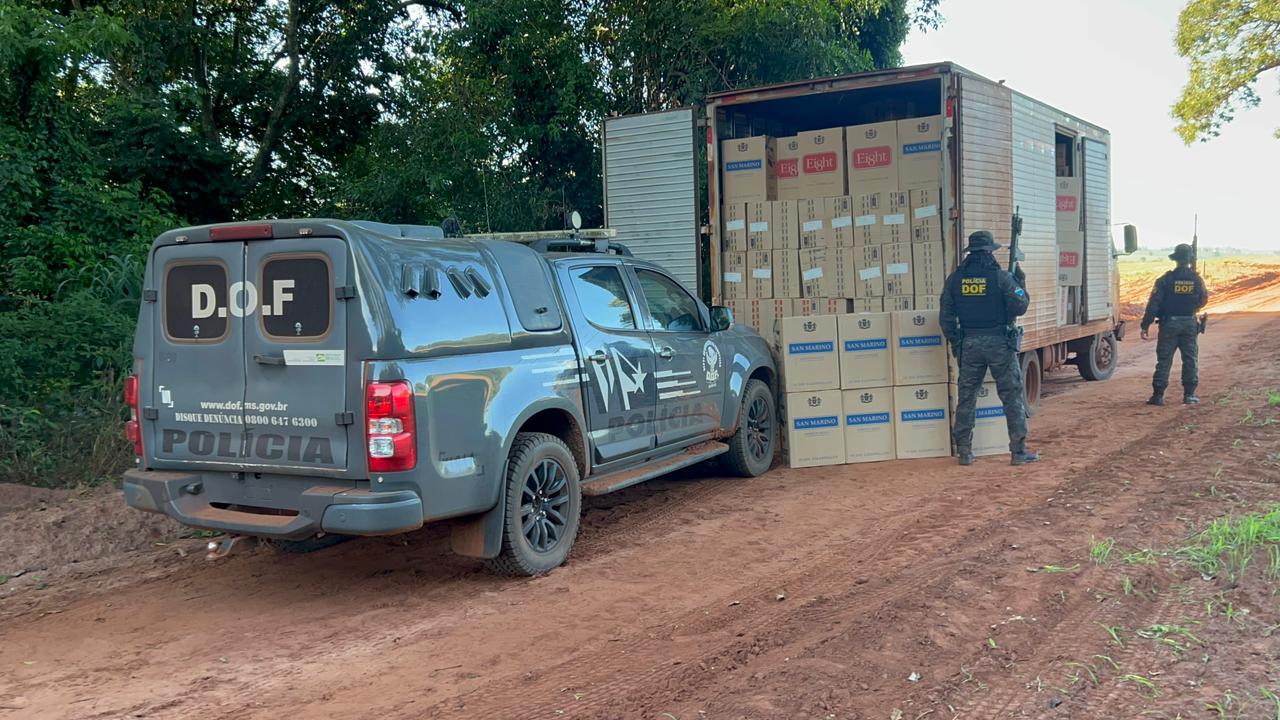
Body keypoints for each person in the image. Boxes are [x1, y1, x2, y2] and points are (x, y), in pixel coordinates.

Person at [940, 230, 1037, 466]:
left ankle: (965, 452)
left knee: (967, 397)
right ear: (990, 252)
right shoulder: (1001, 278)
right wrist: (1020, 281)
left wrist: (957, 343)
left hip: (969, 343)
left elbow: (946, 318)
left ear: (970, 253)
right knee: (1011, 396)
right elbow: (1020, 306)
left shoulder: (955, 279)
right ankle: (1018, 451)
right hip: (999, 344)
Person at [1140, 243, 1208, 406]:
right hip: (1189, 323)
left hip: (1169, 324)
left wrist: (1145, 324)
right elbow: (1203, 299)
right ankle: (1189, 395)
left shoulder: (1165, 280)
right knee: (1190, 359)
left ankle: (1158, 396)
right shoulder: (1196, 279)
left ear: (1176, 259)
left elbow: (1154, 304)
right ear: (1190, 259)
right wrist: (1191, 307)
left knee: (1164, 360)